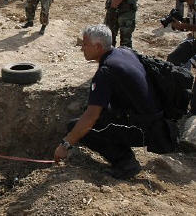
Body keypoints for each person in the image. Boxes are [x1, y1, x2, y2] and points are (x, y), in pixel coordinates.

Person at [54, 24, 177, 180]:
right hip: (156, 121)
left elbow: (90, 118)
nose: (82, 48)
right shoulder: (124, 52)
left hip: (146, 130)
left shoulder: (106, 71)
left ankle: (126, 163)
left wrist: (66, 144)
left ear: (98, 46)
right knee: (90, 116)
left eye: (85, 44)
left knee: (77, 127)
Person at [168, 0, 196, 113]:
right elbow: (192, 22)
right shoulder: (191, 3)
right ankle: (180, 95)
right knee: (174, 59)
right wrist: (181, 24)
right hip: (194, 41)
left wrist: (183, 25)